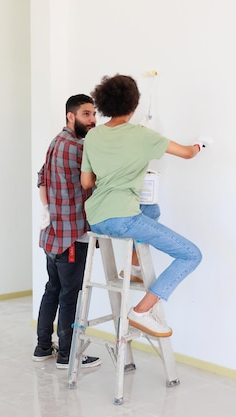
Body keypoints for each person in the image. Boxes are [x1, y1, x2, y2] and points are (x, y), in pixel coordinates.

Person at [81, 74, 203, 338]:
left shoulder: (93, 136)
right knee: (191, 255)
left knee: (151, 209)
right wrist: (199, 146)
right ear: (134, 105)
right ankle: (142, 311)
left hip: (97, 217)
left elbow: (86, 181)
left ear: (104, 104)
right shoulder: (142, 135)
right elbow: (186, 153)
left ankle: (134, 266)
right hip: (122, 218)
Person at [33, 94, 101, 369]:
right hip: (72, 236)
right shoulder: (79, 148)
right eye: (86, 114)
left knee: (53, 289)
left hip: (52, 233)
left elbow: (41, 177)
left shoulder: (55, 143)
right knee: (69, 294)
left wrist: (49, 209)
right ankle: (67, 355)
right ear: (70, 116)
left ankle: (42, 347)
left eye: (94, 113)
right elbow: (96, 182)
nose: (93, 119)